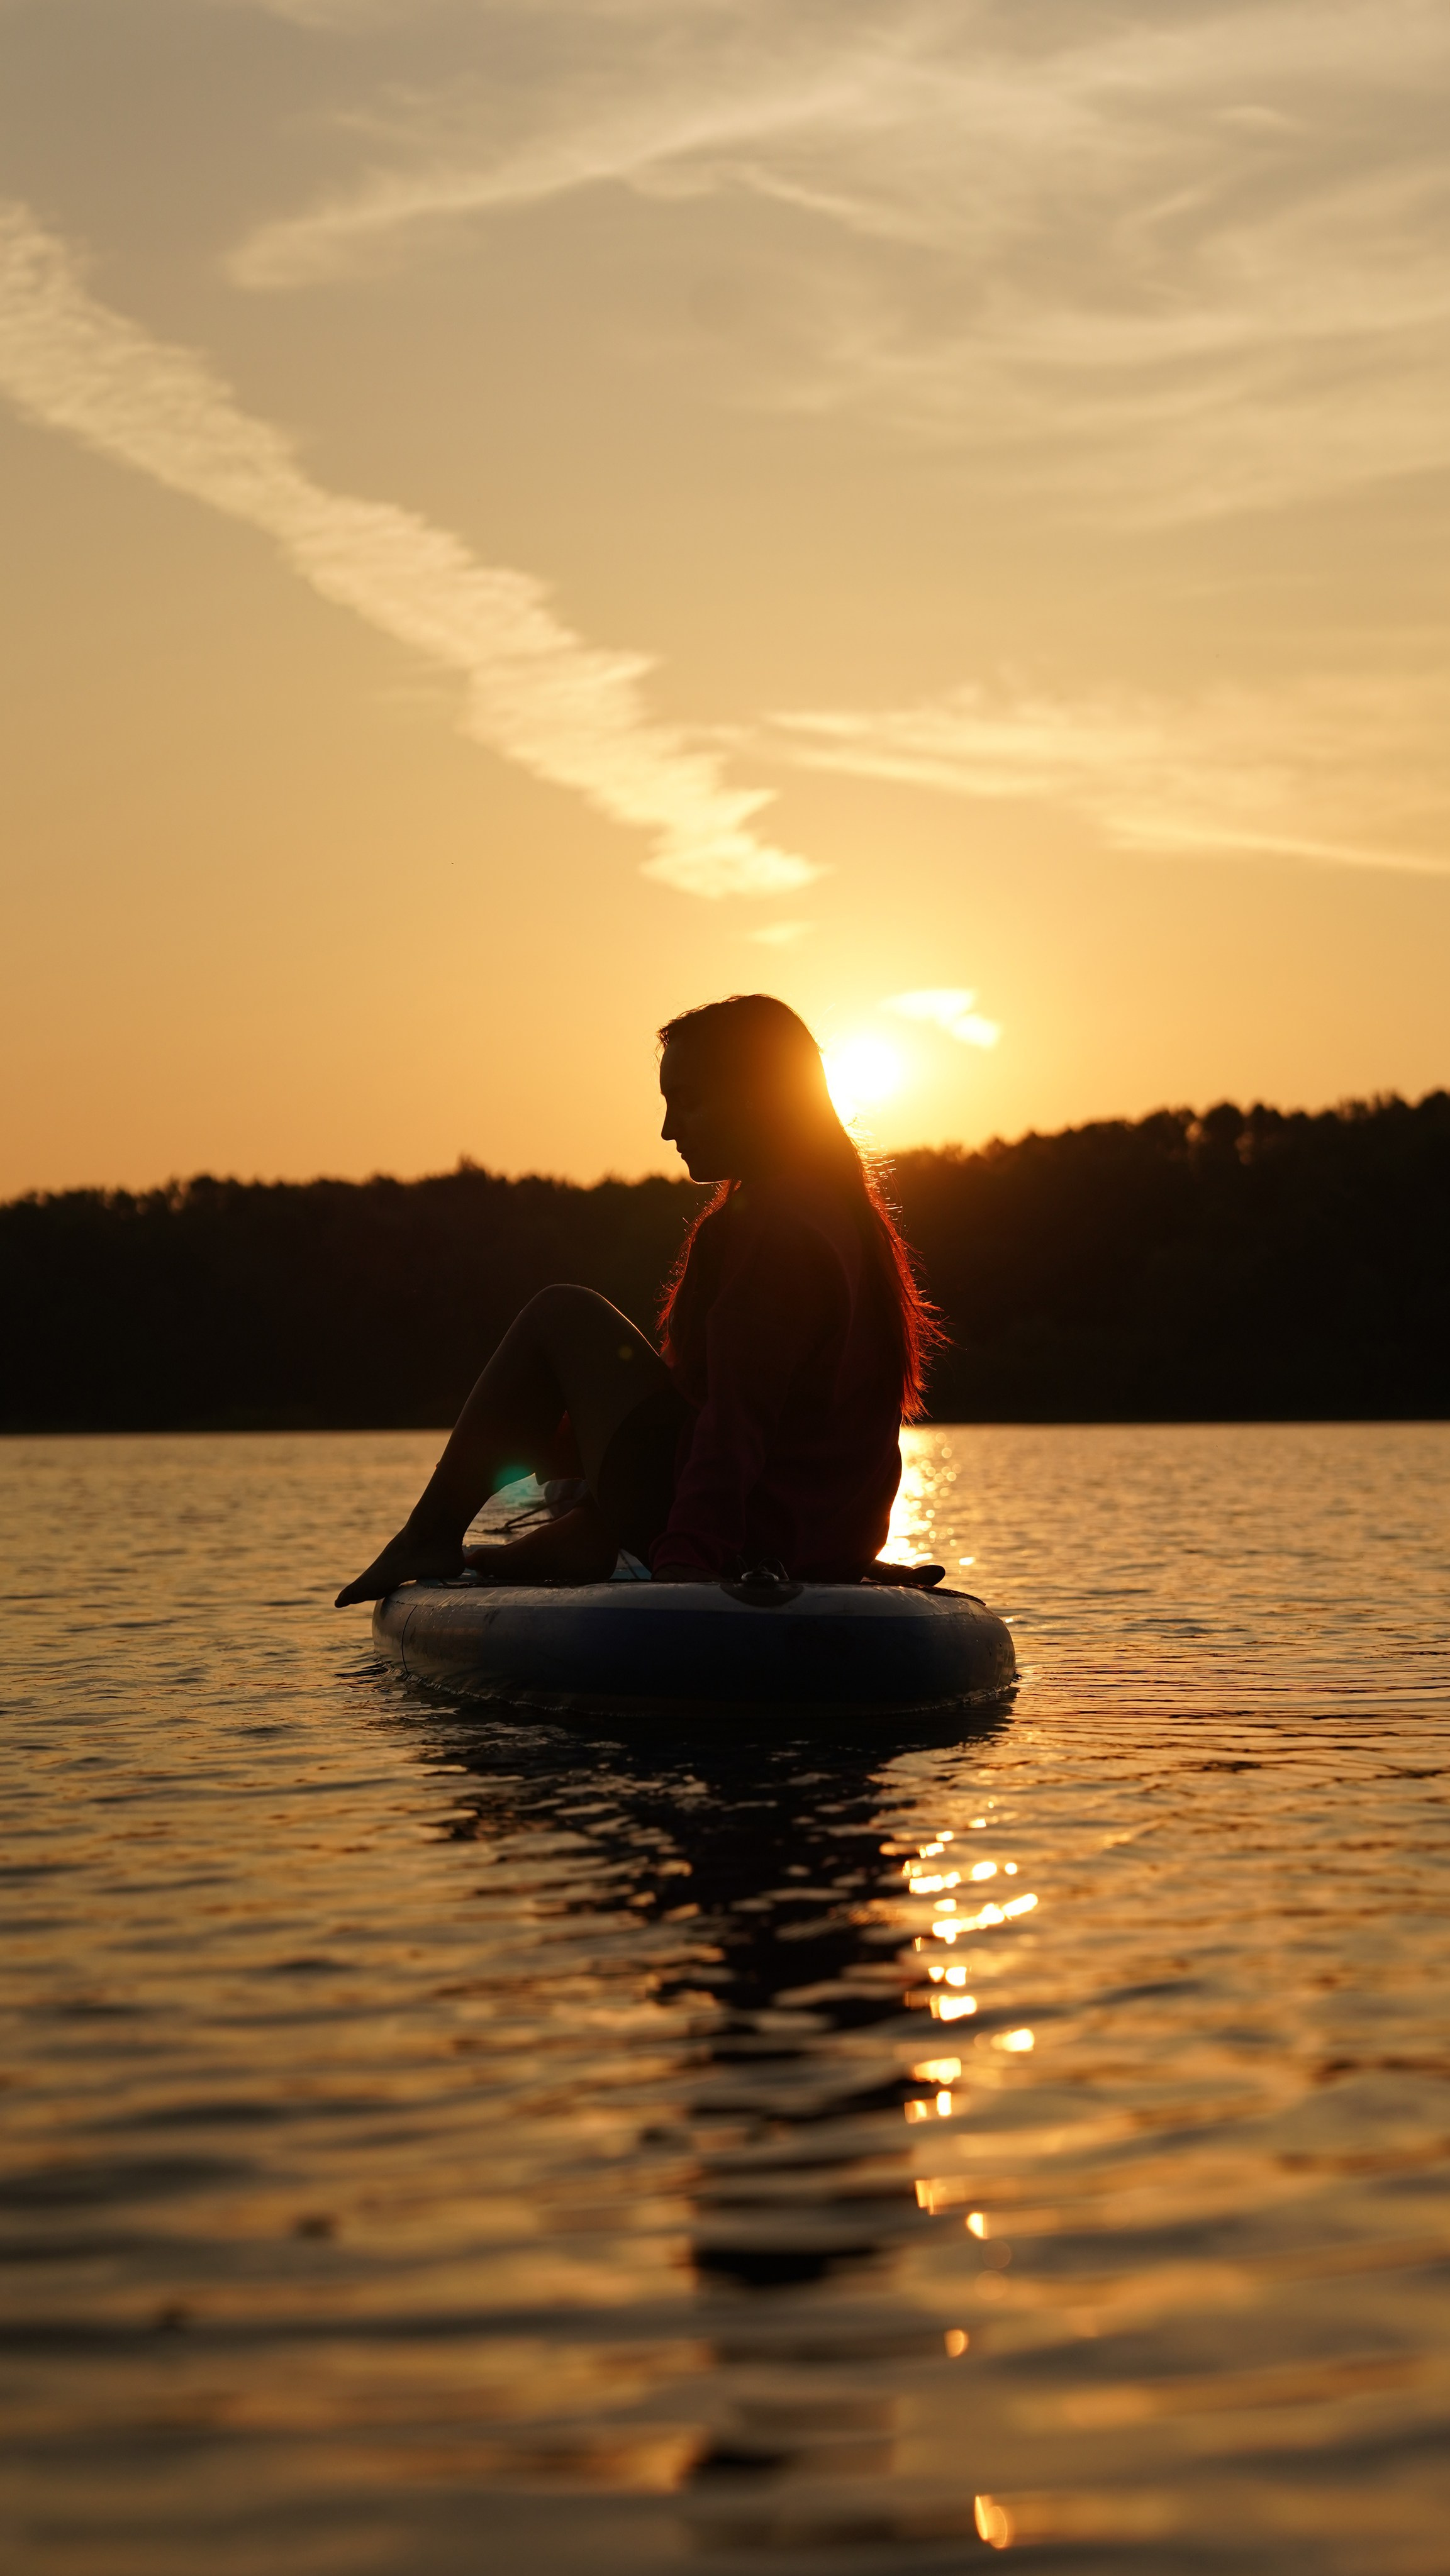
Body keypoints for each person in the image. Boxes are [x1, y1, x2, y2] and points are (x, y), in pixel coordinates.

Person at [335, 994, 940, 1606]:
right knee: (576, 1487)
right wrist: (845, 1555)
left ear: (760, 1096)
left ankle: (428, 1535)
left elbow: (734, 1419)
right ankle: (508, 1553)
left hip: (748, 1533)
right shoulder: (845, 1214)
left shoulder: (774, 1225)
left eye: (689, 1101)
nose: (668, 1129)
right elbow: (826, 1423)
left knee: (560, 1311)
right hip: (810, 1534)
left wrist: (686, 1566)